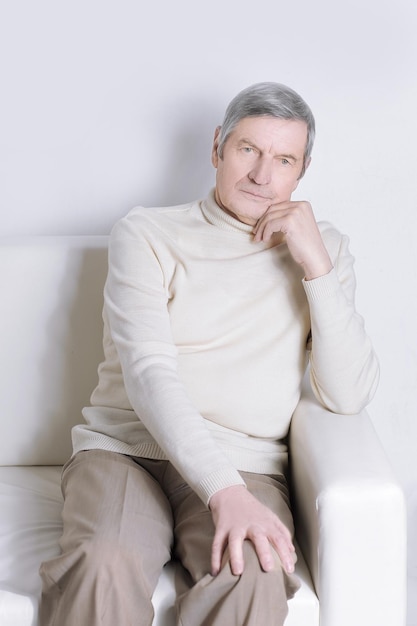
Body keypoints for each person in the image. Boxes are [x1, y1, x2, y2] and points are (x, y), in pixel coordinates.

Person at [39, 81, 379, 626]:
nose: (262, 175)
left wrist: (317, 267)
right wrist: (222, 489)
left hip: (251, 464)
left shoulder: (325, 248)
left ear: (303, 170)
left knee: (255, 576)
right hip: (128, 451)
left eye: (283, 159)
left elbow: (348, 392)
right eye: (248, 149)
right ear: (218, 145)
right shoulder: (148, 232)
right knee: (102, 563)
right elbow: (149, 372)